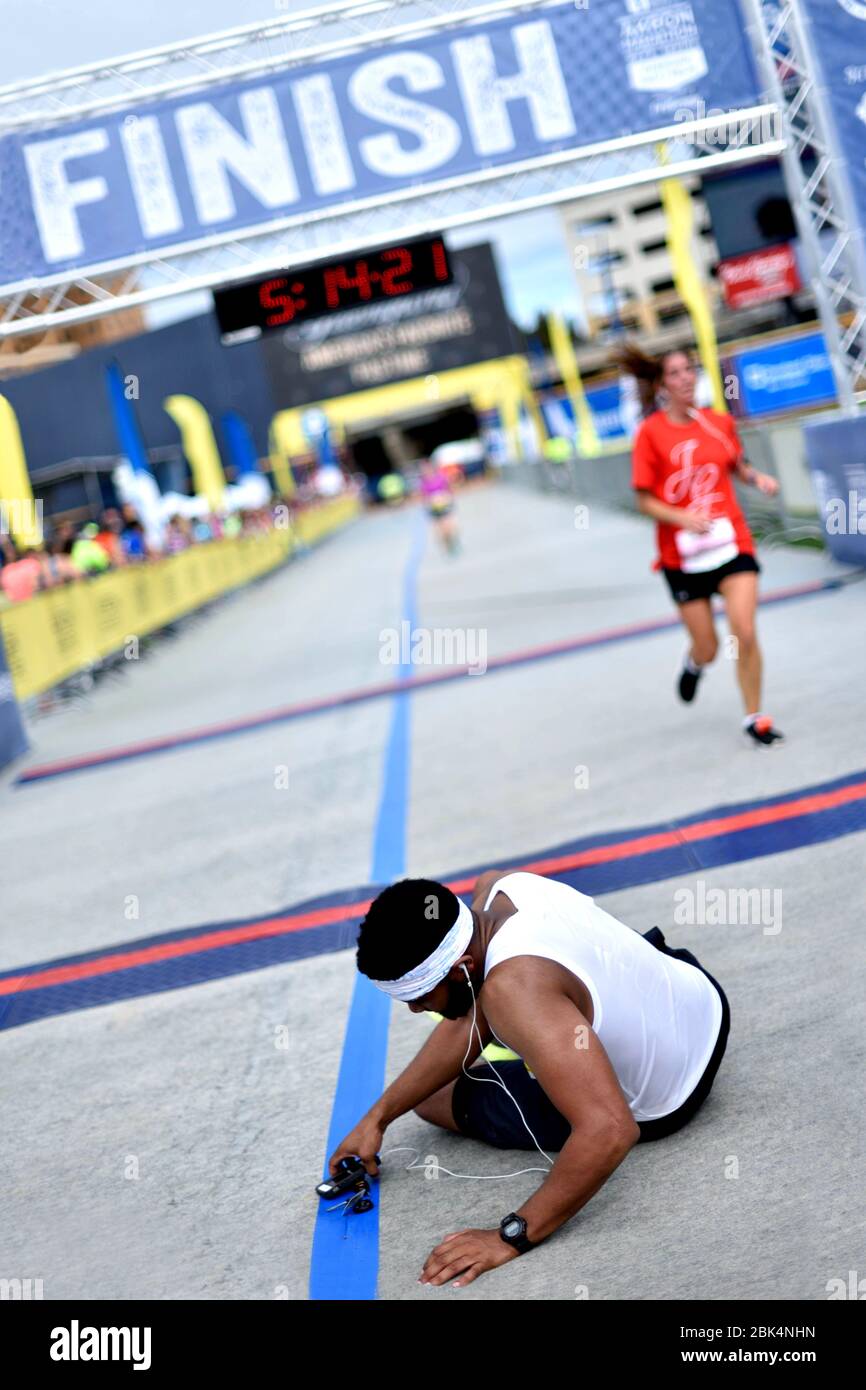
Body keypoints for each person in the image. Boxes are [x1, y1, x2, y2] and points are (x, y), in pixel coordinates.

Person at [328, 870, 730, 1288]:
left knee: (435, 1097)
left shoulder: (512, 993)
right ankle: (535, 1026)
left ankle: (537, 1034)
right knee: (497, 1004)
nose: (415, 1011)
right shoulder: (502, 887)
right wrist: (376, 1118)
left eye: (421, 998)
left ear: (462, 968)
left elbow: (610, 1129)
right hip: (699, 998)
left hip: (667, 1095)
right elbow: (471, 1014)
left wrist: (511, 1236)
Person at [620, 344, 783, 747]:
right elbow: (643, 499)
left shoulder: (717, 423)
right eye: (674, 373)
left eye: (689, 369)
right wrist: (683, 518)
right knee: (709, 647)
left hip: (731, 544)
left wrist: (756, 479)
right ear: (661, 385)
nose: (685, 378)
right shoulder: (650, 435)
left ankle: (755, 717)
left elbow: (735, 465)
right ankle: (695, 664)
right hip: (682, 556)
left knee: (744, 631)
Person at [419, 458, 460, 553]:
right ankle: (448, 546)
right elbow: (424, 497)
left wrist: (447, 498)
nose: (426, 471)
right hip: (434, 509)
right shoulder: (423, 483)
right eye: (424, 470)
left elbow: (449, 489)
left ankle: (454, 541)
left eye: (427, 469)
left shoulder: (441, 477)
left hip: (445, 505)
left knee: (450, 526)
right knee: (440, 532)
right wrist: (429, 503)